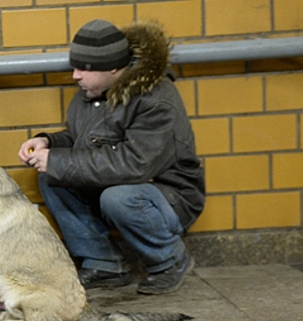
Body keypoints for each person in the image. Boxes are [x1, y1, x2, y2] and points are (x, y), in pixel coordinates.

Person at [18, 20, 205, 295]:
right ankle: (104, 262)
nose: (75, 76)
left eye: (84, 69)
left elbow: (134, 163)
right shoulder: (93, 92)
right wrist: (48, 142)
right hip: (126, 183)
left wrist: (58, 161)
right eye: (74, 67)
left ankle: (170, 261)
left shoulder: (155, 100)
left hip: (169, 195)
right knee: (53, 176)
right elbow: (83, 139)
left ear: (113, 68)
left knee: (117, 197)